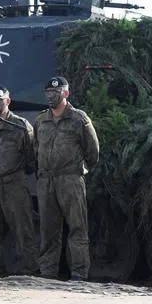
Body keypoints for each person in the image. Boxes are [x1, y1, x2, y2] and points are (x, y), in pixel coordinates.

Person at [34, 76, 99, 281]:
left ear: (66, 93)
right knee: (48, 230)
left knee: (77, 228)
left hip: (70, 179)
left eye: (56, 92)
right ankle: (48, 274)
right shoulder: (41, 120)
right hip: (46, 181)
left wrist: (79, 169)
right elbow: (36, 148)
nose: (51, 96)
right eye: (48, 93)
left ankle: (79, 274)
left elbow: (93, 151)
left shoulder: (79, 119)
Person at [0, 86, 37, 275]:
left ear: (8, 101)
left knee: (22, 228)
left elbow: (31, 156)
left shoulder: (20, 125)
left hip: (14, 183)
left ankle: (29, 269)